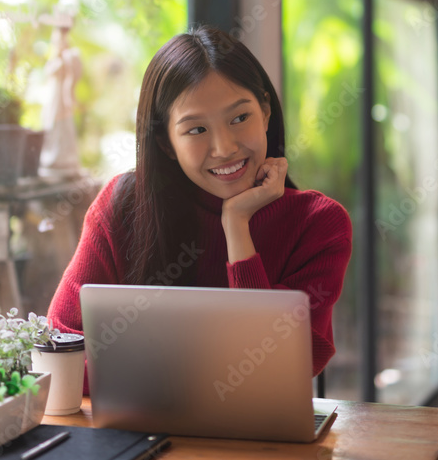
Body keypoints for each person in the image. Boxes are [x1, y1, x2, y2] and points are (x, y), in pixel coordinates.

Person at [46, 25, 352, 394]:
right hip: (138, 440)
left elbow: (278, 369)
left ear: (266, 112)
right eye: (196, 130)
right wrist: (195, 383)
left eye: (240, 118)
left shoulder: (319, 224)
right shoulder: (123, 205)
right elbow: (59, 348)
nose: (224, 147)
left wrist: (237, 225)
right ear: (166, 143)